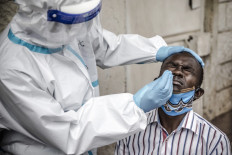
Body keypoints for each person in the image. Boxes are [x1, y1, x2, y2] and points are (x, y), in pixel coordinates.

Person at [0, 0, 202, 154]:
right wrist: (135, 106)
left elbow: (103, 46)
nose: (85, 27)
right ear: (47, 17)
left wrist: (156, 51)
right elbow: (69, 132)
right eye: (76, 21)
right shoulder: (11, 70)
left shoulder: (69, 26)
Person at [115, 51, 231, 155]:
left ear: (198, 93)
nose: (177, 72)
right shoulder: (132, 130)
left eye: (187, 69)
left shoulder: (214, 141)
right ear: (156, 82)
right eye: (173, 66)